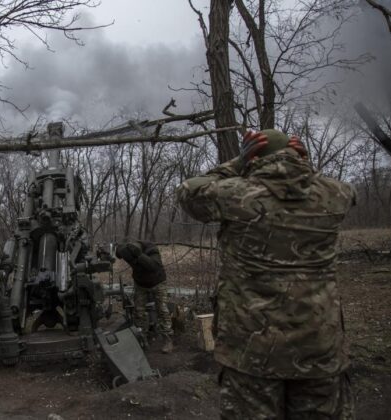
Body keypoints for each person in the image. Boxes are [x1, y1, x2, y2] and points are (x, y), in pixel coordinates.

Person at [176, 129, 356, 419]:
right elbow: (323, 187)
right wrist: (300, 162)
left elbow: (189, 190)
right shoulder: (335, 194)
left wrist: (237, 162)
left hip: (251, 352)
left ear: (254, 157)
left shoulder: (235, 194)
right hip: (320, 348)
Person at [115, 240, 173, 353]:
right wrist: (119, 252)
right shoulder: (127, 248)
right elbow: (119, 250)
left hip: (157, 282)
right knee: (138, 312)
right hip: (140, 283)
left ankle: (168, 339)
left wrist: (139, 256)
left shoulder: (151, 249)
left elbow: (153, 266)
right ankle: (142, 338)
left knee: (162, 310)